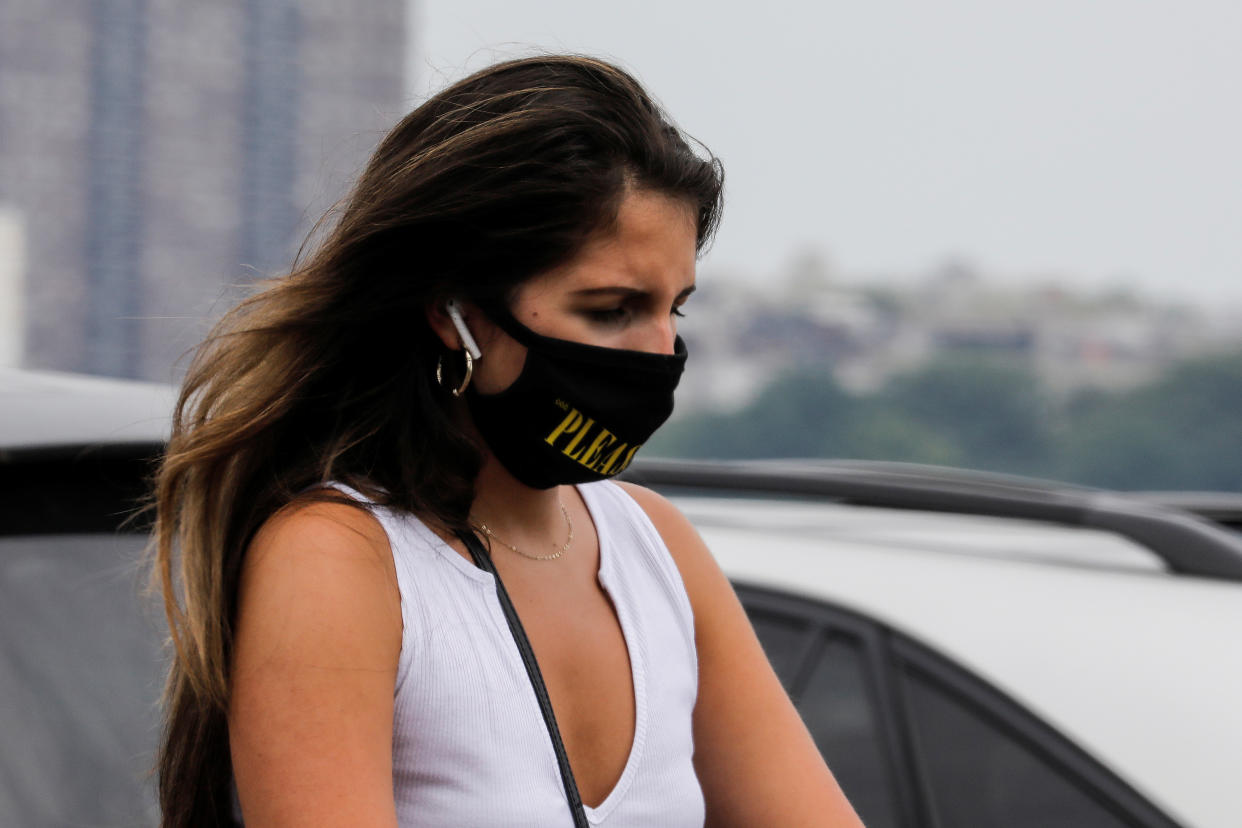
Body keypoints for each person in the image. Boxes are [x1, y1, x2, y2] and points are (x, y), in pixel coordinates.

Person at [151, 54, 864, 827]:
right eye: (610, 309)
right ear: (457, 311)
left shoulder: (654, 544)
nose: (660, 352)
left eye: (676, 310)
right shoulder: (339, 559)